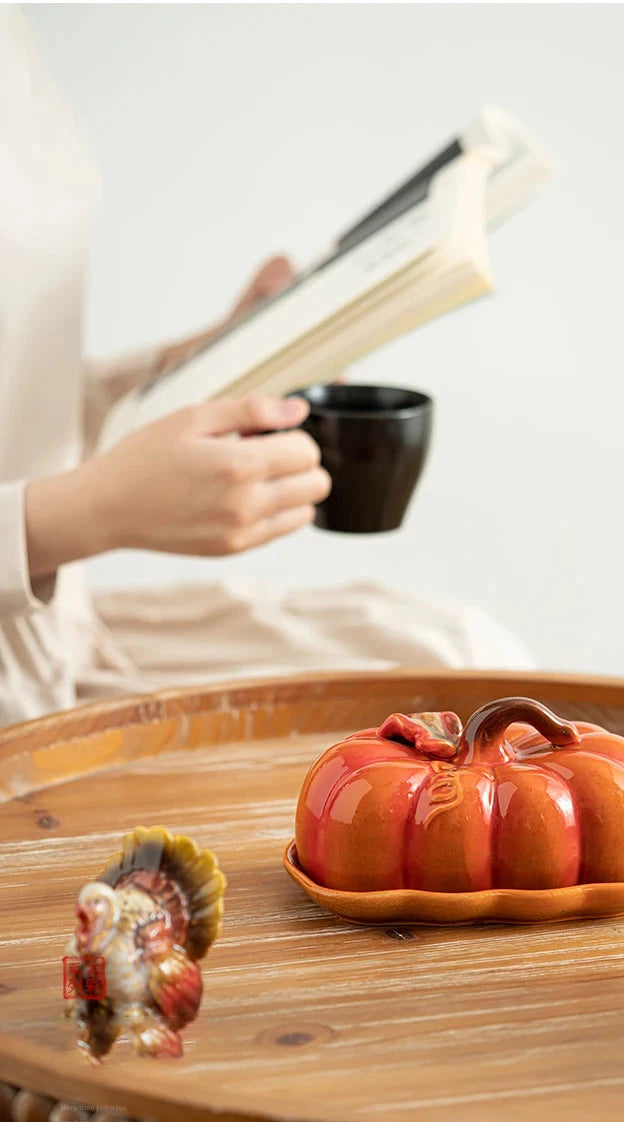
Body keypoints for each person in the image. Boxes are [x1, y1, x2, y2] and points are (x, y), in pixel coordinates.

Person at [0, 7, 531, 728]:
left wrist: (200, 362)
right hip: (24, 643)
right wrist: (83, 513)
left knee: (468, 661)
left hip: (57, 636)